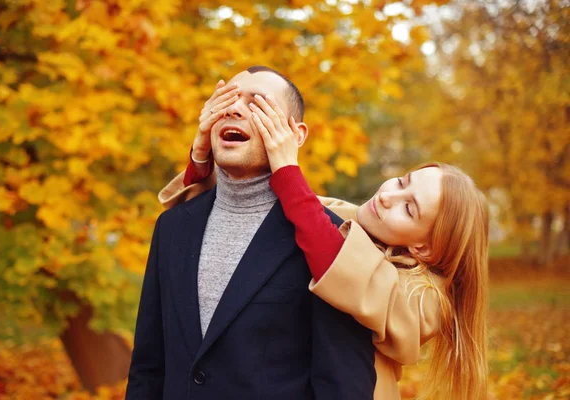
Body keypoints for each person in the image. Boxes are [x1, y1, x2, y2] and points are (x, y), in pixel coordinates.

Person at [159, 84, 490, 400]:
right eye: (403, 182)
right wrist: (203, 157)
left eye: (409, 208)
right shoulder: (340, 215)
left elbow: (343, 271)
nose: (390, 196)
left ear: (424, 247)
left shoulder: (423, 298)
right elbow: (224, 217)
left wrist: (288, 168)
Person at [125, 66, 377, 400]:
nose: (232, 109)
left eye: (257, 103)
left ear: (296, 135)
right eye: (225, 100)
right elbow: (148, 365)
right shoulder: (172, 226)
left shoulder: (330, 244)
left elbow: (344, 385)